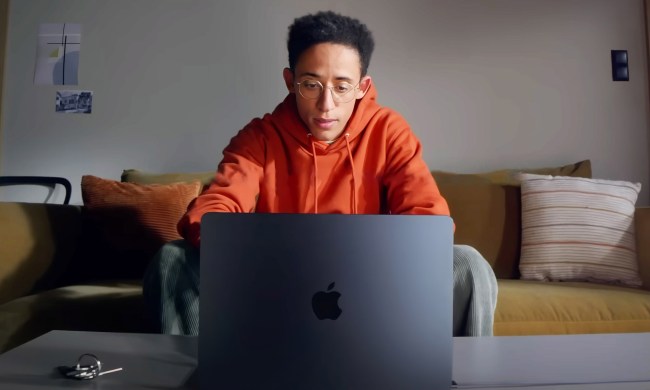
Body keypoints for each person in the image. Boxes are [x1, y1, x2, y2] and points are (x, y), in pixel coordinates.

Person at [143, 11, 497, 337]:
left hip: (370, 283)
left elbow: (428, 218)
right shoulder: (259, 138)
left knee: (468, 265)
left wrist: (362, 262)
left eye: (342, 87)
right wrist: (274, 261)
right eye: (310, 84)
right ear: (290, 80)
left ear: (361, 86)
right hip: (275, 281)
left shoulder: (388, 131)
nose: (326, 105)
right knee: (173, 260)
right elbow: (213, 209)